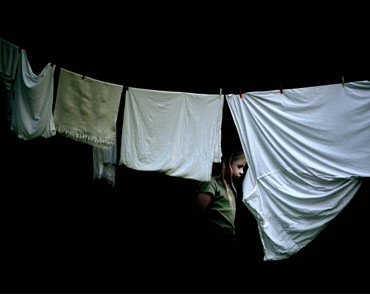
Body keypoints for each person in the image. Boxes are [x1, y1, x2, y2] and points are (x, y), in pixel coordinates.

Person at [194, 150, 247, 256]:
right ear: (227, 163)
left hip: (228, 240)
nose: (242, 171)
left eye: (243, 168)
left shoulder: (229, 188)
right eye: (239, 166)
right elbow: (198, 213)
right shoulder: (211, 183)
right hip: (213, 241)